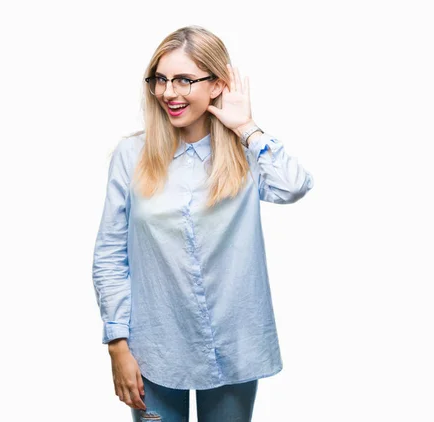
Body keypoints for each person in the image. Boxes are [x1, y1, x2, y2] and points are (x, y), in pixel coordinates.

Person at [92, 25, 314, 421]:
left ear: (217, 85)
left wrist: (246, 127)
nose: (168, 93)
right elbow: (110, 256)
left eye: (183, 80)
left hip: (233, 345)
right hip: (155, 348)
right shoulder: (131, 155)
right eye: (160, 79)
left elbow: (294, 186)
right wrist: (117, 345)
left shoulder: (245, 155)